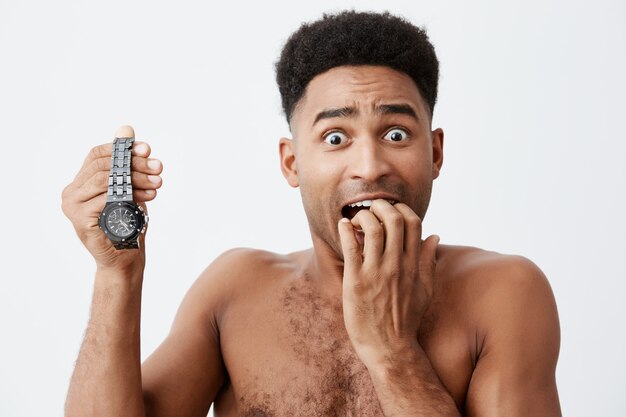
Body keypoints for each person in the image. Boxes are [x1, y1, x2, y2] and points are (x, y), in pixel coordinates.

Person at [62, 10, 562, 417]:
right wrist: (116, 273)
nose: (369, 166)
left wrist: (392, 351)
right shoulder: (233, 291)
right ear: (292, 162)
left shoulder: (506, 294)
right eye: (335, 138)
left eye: (395, 134)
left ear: (434, 153)